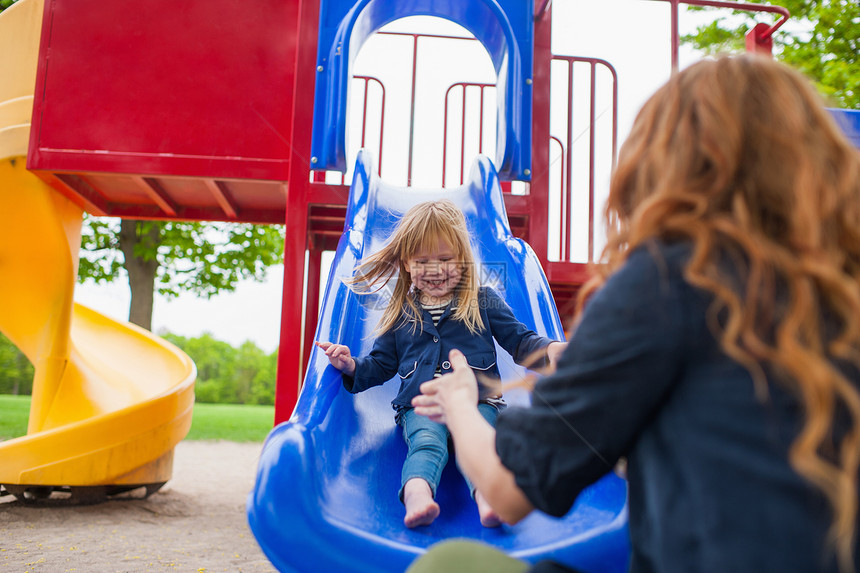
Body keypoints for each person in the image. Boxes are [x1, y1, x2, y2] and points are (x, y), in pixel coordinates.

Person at [410, 54, 860, 572]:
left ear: (664, 164)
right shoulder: (837, 293)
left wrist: (462, 402)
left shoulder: (670, 280)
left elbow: (512, 486)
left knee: (454, 564)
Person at [316, 199, 566, 529]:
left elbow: (521, 342)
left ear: (463, 260)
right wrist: (350, 366)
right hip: (423, 404)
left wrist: (551, 352)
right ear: (406, 263)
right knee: (426, 443)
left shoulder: (483, 300)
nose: (435, 269)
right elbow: (379, 365)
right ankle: (418, 498)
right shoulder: (401, 314)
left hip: (478, 400)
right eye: (423, 261)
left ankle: (489, 501)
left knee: (480, 443)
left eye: (446, 259)